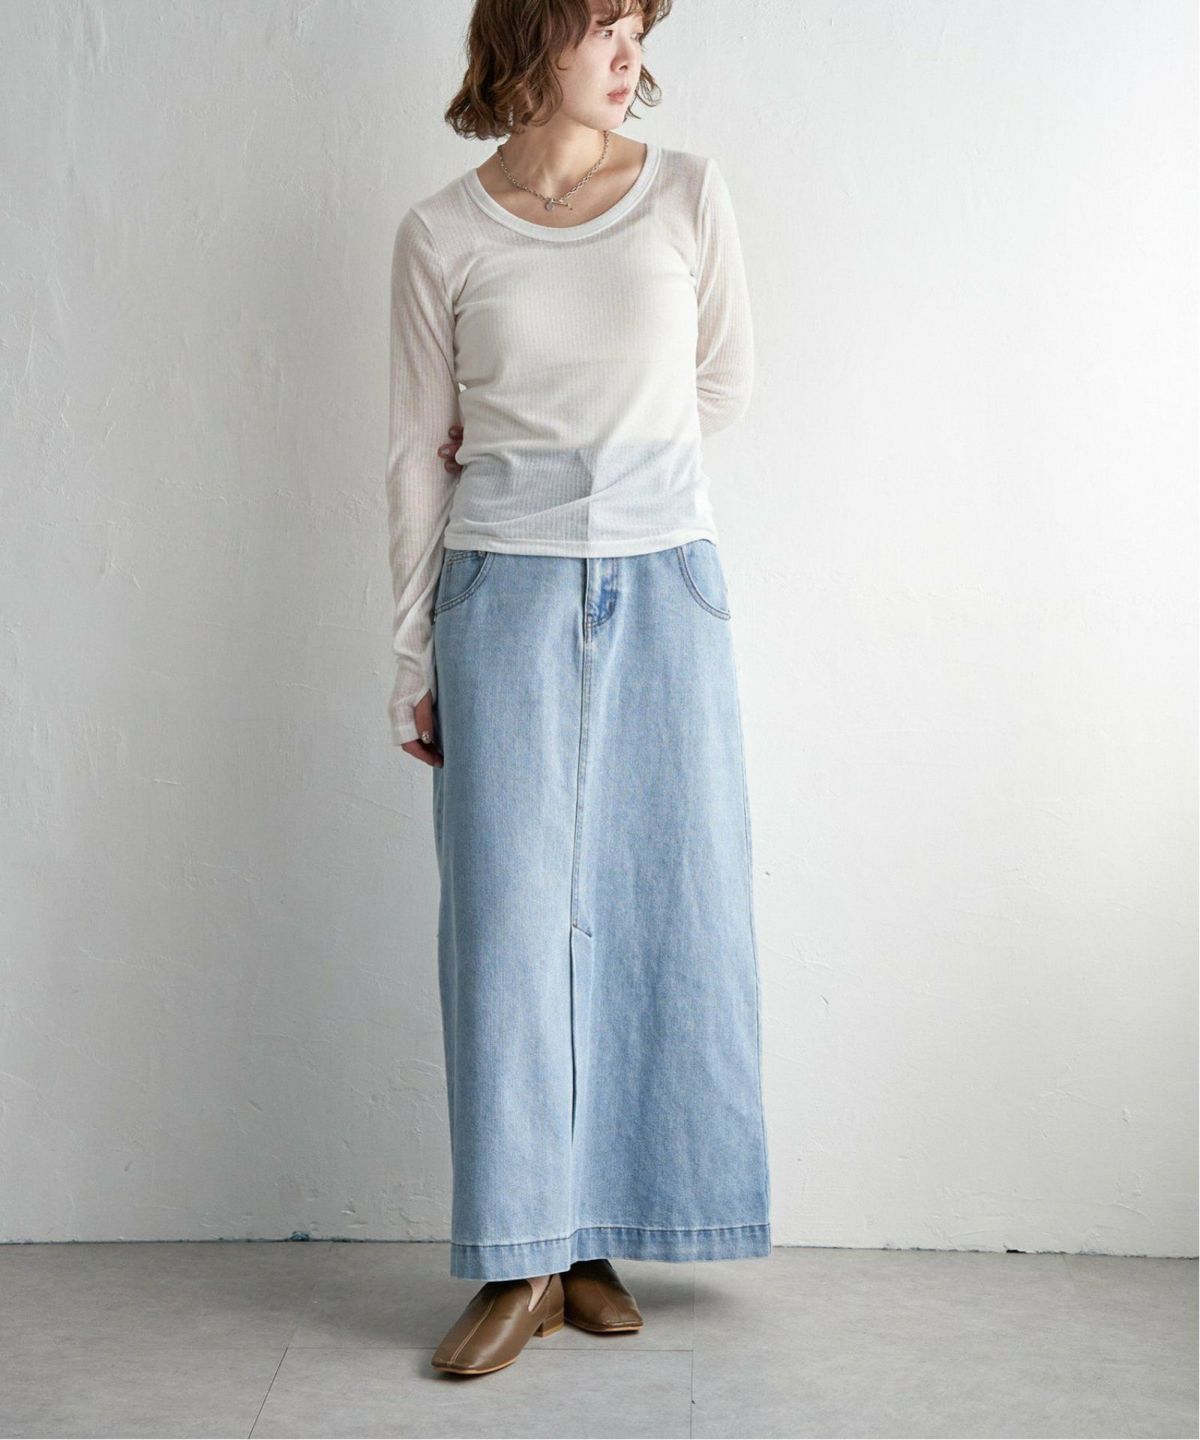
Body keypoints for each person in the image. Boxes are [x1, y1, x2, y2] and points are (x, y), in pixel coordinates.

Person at [384, 0, 771, 1377]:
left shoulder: (687, 194)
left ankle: (591, 1234)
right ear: (529, 38)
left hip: (666, 584)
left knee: (657, 904)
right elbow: (417, 452)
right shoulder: (443, 233)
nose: (628, 56)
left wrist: (614, 465)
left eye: (636, 30)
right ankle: (519, 1257)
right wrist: (412, 655)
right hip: (501, 590)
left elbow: (720, 382)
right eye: (601, 26)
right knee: (508, 927)